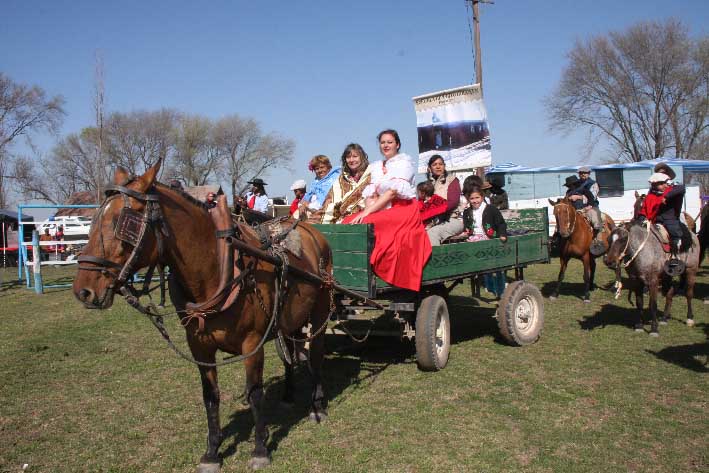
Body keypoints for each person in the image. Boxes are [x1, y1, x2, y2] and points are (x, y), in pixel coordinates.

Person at [342, 129, 432, 292]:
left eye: (389, 142)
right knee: (348, 222)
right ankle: (354, 270)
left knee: (367, 221)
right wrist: (367, 210)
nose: (386, 145)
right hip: (383, 207)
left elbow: (392, 192)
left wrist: (367, 213)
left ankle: (375, 266)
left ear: (397, 144)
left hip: (403, 209)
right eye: (383, 142)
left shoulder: (404, 163)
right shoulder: (377, 166)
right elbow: (372, 194)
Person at [462, 182, 507, 297]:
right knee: (485, 267)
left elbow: (501, 223)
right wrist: (467, 231)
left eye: (477, 197)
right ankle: (490, 287)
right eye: (472, 198)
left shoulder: (491, 209)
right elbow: (467, 225)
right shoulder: (467, 212)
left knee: (497, 267)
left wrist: (502, 234)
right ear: (468, 199)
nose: (475, 201)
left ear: (482, 197)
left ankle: (501, 289)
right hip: (475, 238)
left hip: (489, 237)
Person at [312, 143, 371, 224]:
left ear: (362, 157)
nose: (351, 160)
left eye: (355, 156)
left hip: (363, 213)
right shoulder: (342, 178)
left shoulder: (371, 174)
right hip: (338, 215)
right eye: (348, 157)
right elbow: (331, 199)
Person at [638, 172, 687, 256]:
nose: (664, 186)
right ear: (654, 185)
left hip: (669, 219)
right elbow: (644, 209)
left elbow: (681, 188)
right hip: (654, 220)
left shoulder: (671, 191)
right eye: (661, 184)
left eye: (664, 183)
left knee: (674, 231)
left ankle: (675, 256)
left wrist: (666, 196)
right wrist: (641, 217)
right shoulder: (650, 196)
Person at [425, 155, 465, 246]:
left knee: (432, 233)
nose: (438, 167)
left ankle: (436, 259)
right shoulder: (427, 185)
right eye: (435, 164)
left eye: (440, 164)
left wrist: (433, 210)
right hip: (433, 222)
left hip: (453, 219)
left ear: (444, 166)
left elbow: (453, 202)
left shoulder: (452, 180)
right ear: (429, 168)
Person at [299, 155, 340, 220]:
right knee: (297, 214)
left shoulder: (336, 177)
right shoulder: (316, 182)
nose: (320, 170)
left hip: (330, 208)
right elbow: (306, 198)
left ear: (328, 167)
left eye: (322, 167)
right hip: (314, 207)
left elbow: (331, 196)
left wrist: (309, 205)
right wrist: (302, 205)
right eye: (317, 169)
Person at [575, 166, 603, 242]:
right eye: (581, 173)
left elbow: (592, 197)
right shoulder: (576, 184)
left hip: (591, 207)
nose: (583, 174)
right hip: (577, 208)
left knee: (595, 221)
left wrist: (578, 197)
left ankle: (598, 241)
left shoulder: (593, 184)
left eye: (585, 173)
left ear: (589, 173)